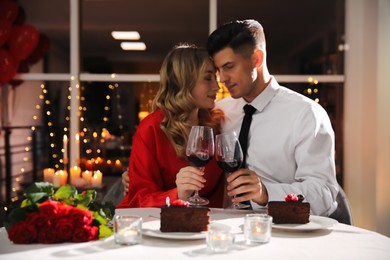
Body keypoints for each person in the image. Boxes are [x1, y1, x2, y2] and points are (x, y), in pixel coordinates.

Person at [207, 19, 339, 216]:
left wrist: (267, 193)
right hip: (224, 230)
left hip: (282, 232)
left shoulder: (306, 114)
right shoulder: (220, 112)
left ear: (256, 59)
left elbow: (324, 193)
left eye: (229, 66)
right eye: (219, 70)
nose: (222, 78)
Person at [116, 44, 225, 208]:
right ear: (184, 82)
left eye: (215, 78)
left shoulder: (216, 124)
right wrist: (178, 194)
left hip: (206, 224)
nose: (216, 86)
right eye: (208, 78)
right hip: (158, 225)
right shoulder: (151, 128)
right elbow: (138, 199)